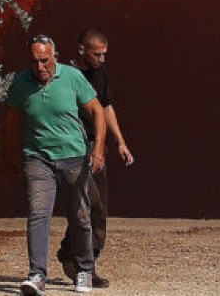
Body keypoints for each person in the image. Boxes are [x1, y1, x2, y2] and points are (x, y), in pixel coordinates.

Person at [5, 35, 106, 295]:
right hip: (37, 158)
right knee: (38, 214)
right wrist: (8, 154)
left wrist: (97, 149)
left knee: (80, 215)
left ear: (55, 57)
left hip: (73, 156)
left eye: (45, 60)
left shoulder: (71, 77)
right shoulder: (21, 83)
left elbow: (97, 111)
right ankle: (37, 275)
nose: (40, 67)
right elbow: (10, 120)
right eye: (35, 62)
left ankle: (84, 270)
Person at [57, 28, 135, 289]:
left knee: (99, 210)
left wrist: (120, 141)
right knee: (89, 206)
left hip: (96, 147)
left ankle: (79, 258)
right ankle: (80, 264)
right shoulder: (65, 75)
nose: (102, 59)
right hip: (73, 149)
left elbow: (106, 107)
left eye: (104, 54)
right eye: (97, 54)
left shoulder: (100, 75)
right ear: (82, 50)